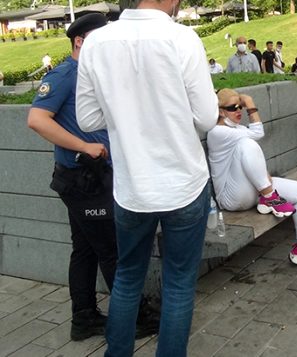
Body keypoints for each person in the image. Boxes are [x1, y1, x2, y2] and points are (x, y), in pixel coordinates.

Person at [75, 0, 219, 354]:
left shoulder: (96, 42)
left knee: (126, 278)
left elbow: (88, 119)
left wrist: (126, 109)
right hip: (184, 182)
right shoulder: (182, 38)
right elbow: (206, 118)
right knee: (179, 284)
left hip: (132, 187)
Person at [26, 13, 159, 343]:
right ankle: (135, 318)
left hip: (92, 178)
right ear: (80, 42)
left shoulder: (92, 74)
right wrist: (85, 146)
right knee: (111, 249)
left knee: (84, 249)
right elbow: (37, 119)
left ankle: (83, 318)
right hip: (83, 180)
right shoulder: (65, 74)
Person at [207, 89, 297, 271]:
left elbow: (253, 145)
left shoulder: (238, 129)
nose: (239, 110)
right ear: (221, 111)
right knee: (247, 144)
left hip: (254, 189)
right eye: (233, 108)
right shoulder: (216, 132)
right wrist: (250, 102)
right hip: (231, 198)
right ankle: (269, 196)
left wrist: (264, 176)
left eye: (240, 106)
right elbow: (258, 133)